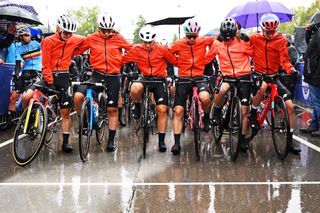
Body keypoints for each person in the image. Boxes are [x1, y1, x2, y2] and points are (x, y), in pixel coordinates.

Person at [73, 12, 132, 152]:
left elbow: (132, 50)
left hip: (113, 76)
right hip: (97, 74)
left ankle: (111, 140)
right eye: (103, 30)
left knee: (112, 109)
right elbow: (77, 50)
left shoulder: (118, 38)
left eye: (109, 30)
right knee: (78, 97)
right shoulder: (91, 38)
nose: (106, 33)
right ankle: (85, 121)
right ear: (98, 28)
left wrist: (121, 61)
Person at [248, 13, 301, 154]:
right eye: (267, 32)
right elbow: (243, 49)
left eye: (273, 31)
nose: (270, 34)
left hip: (274, 75)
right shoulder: (254, 38)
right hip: (259, 74)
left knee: (289, 106)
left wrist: (292, 70)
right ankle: (253, 112)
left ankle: (289, 141)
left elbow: (284, 60)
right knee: (263, 86)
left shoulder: (281, 40)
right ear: (262, 29)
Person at [122, 25, 177, 152]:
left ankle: (161, 141)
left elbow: (174, 61)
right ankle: (136, 105)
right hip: (145, 78)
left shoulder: (162, 49)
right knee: (134, 87)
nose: (147, 45)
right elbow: (121, 60)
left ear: (154, 40)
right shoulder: (136, 49)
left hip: (159, 79)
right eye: (145, 42)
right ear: (142, 40)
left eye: (150, 42)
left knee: (162, 109)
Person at [37, 14, 84, 153]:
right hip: (49, 75)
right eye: (65, 32)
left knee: (65, 112)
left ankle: (65, 142)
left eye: (71, 33)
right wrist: (50, 82)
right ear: (58, 29)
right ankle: (31, 119)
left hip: (63, 77)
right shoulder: (48, 41)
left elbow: (87, 41)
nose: (68, 35)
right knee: (28, 96)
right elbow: (45, 64)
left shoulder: (73, 39)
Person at [169, 18, 215, 155]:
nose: (191, 39)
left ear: (198, 34)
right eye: (189, 36)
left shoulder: (203, 41)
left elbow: (216, 40)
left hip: (199, 77)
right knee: (178, 111)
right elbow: (168, 54)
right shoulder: (178, 44)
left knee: (206, 98)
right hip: (183, 78)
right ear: (185, 35)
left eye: (194, 36)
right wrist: (178, 63)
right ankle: (177, 143)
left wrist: (207, 58)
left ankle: (206, 117)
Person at [207, 17, 254, 151]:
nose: (228, 39)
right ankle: (216, 110)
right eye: (225, 37)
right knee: (221, 90)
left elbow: (254, 53)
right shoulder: (218, 43)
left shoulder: (242, 42)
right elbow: (208, 57)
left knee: (244, 110)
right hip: (228, 76)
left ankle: (243, 138)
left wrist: (248, 41)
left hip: (243, 76)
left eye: (230, 37)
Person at [7, 26, 42, 118]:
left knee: (30, 96)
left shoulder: (37, 44)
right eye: (26, 35)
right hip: (27, 72)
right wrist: (17, 75)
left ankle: (38, 113)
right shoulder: (18, 49)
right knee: (13, 97)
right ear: (20, 37)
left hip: (39, 70)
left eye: (29, 35)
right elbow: (18, 64)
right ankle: (10, 120)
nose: (28, 37)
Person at [300, 10, 320, 137]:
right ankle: (313, 125)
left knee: (317, 103)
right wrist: (309, 32)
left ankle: (317, 126)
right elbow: (309, 46)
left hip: (316, 75)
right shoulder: (317, 33)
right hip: (313, 73)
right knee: (315, 102)